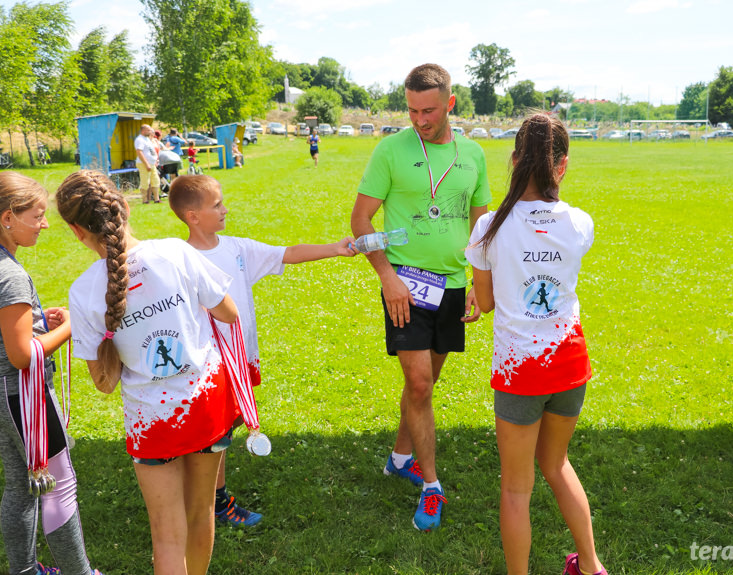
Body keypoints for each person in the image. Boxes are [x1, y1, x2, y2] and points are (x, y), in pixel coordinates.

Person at [57, 170, 241, 574]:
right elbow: (228, 312)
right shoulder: (176, 252)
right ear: (123, 206)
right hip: (205, 401)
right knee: (202, 511)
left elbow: (104, 384)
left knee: (166, 534)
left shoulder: (84, 291)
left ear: (76, 230)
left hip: (151, 419)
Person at [168, 174, 357, 527]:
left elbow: (286, 254)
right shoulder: (179, 260)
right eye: (217, 205)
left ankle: (207, 498)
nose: (225, 209)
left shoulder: (236, 249)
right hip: (207, 367)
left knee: (222, 432)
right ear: (192, 216)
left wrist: (335, 247)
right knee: (213, 435)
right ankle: (214, 503)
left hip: (239, 361)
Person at [350, 63, 491, 531]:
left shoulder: (472, 154)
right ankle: (431, 487)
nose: (419, 119)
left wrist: (477, 281)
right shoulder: (390, 150)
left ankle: (399, 457)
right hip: (404, 286)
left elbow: (480, 224)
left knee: (423, 383)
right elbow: (361, 222)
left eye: (428, 110)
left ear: (450, 103)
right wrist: (387, 276)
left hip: (451, 287)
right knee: (421, 384)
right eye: (411, 109)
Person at [465, 114, 606, 575]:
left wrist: (481, 291)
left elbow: (483, 303)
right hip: (569, 364)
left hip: (520, 372)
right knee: (558, 462)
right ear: (561, 166)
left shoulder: (488, 226)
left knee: (516, 489)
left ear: (513, 160)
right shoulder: (580, 222)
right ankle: (590, 566)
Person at [0, 172, 103, 575]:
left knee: (21, 488)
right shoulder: (10, 275)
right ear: (8, 217)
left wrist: (40, 319)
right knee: (59, 483)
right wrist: (73, 324)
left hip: (4, 398)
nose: (45, 224)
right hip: (23, 397)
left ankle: (24, 571)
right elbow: (23, 355)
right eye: (38, 216)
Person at [134, 124, 160, 204]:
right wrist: (146, 164)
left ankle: (157, 199)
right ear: (143, 130)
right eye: (148, 130)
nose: (150, 132)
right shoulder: (140, 139)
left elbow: (151, 151)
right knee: (145, 182)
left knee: (155, 180)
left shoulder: (147, 139)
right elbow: (139, 152)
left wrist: (155, 160)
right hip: (143, 164)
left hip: (152, 164)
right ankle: (145, 200)